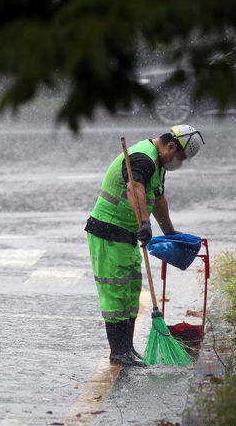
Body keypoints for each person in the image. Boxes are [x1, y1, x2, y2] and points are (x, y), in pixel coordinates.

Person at [85, 125, 204, 366]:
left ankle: (127, 349)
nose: (178, 163)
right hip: (109, 231)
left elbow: (158, 197)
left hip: (128, 232)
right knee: (116, 293)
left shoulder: (159, 165)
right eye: (179, 158)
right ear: (171, 146)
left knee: (130, 292)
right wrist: (146, 222)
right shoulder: (143, 158)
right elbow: (134, 188)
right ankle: (119, 351)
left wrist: (169, 231)